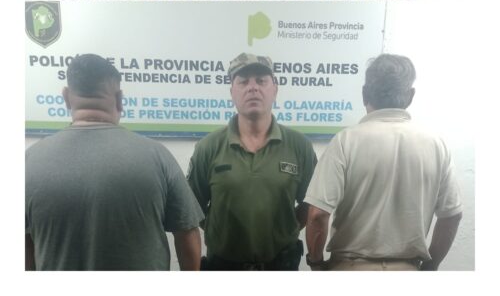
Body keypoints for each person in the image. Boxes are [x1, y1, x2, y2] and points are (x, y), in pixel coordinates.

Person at [25, 54, 204, 271]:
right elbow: (188, 233)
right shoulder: (157, 156)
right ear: (119, 99)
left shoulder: (29, 162)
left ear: (66, 97)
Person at [305, 54, 463, 271]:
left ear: (364, 94)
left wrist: (315, 262)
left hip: (349, 268)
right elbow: (452, 216)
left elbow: (317, 215)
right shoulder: (436, 145)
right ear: (411, 96)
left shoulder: (345, 141)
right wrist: (431, 265)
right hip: (408, 271)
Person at [187, 53, 317, 270]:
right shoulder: (208, 147)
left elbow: (312, 203)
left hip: (280, 267)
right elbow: (192, 208)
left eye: (261, 80)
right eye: (244, 81)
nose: (253, 88)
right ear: (232, 92)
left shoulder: (299, 146)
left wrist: (289, 227)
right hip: (224, 268)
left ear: (275, 89)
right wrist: (218, 230)